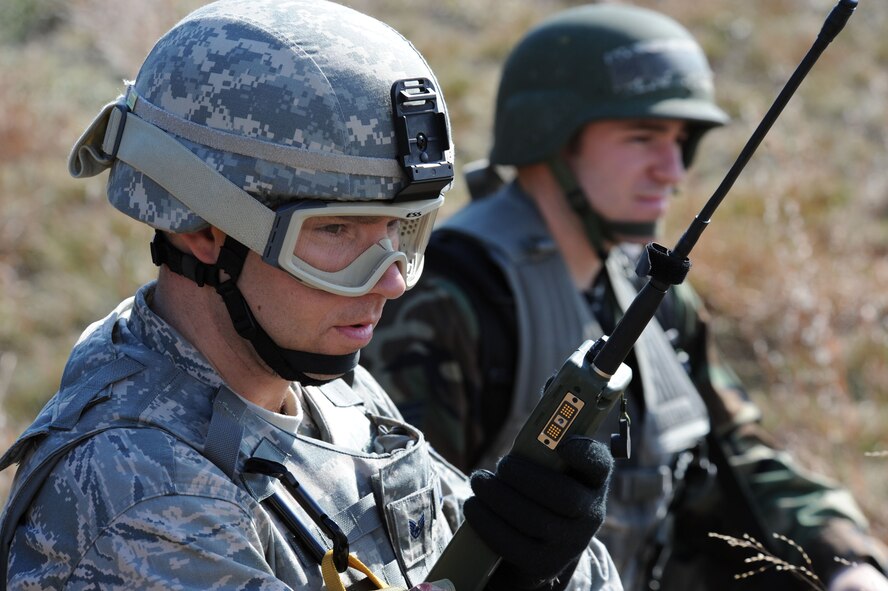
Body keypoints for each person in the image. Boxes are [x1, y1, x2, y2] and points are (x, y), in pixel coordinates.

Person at [0, 1, 623, 590]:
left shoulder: (320, 384)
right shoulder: (143, 493)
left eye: (401, 231)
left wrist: (539, 558)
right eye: (335, 231)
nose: (392, 281)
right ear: (201, 230)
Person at [360, 4, 888, 591]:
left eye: (680, 142)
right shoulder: (450, 299)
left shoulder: (648, 293)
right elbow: (396, 522)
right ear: (551, 138)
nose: (672, 171)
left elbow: (736, 454)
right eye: (643, 138)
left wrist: (847, 561)